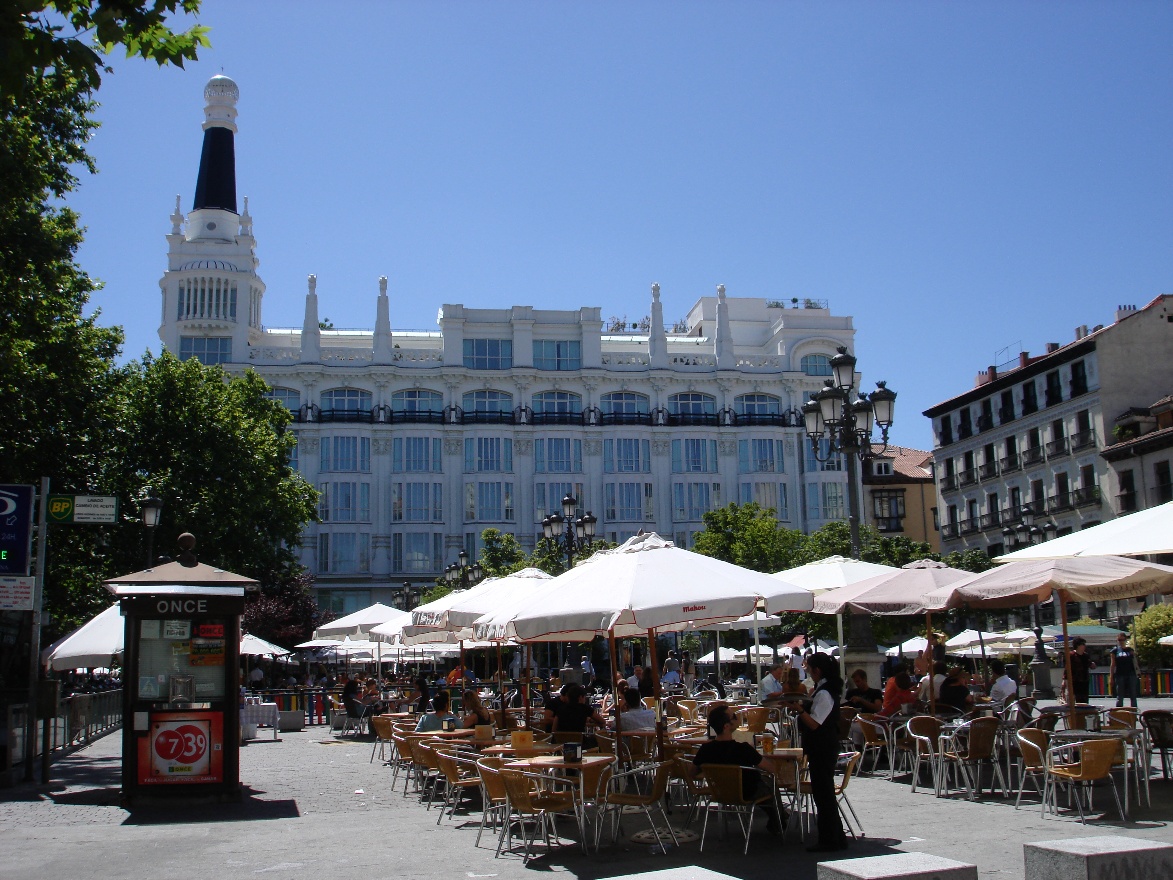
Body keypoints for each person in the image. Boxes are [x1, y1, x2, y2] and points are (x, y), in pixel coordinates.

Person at [784, 652, 847, 852]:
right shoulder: (824, 689)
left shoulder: (825, 692)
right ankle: (836, 836)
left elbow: (815, 724)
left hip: (823, 746)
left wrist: (801, 711)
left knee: (824, 794)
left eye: (809, 668)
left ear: (817, 670)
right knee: (824, 793)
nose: (808, 671)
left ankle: (830, 839)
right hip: (822, 746)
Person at [692, 704, 783, 835]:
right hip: (748, 792)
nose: (737, 718)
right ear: (726, 726)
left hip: (719, 792)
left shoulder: (705, 750)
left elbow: (692, 773)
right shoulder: (744, 749)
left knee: (766, 786)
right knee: (769, 784)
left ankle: (779, 819)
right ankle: (779, 821)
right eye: (734, 717)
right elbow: (771, 769)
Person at [1110, 633, 1140, 709]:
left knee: (1133, 694)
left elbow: (1135, 661)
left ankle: (1134, 712)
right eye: (1119, 640)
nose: (1121, 641)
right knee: (1120, 694)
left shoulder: (1130, 650)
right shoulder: (1115, 651)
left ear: (1125, 640)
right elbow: (1112, 664)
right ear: (1117, 640)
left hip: (1131, 673)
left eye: (1123, 640)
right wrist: (1111, 677)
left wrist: (1138, 671)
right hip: (1120, 674)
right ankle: (1119, 711)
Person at [1065, 637, 1095, 704]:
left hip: (1084, 680)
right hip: (1074, 680)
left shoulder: (1086, 655)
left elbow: (1089, 664)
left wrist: (1092, 665)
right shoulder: (1071, 655)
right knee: (1075, 698)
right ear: (1078, 645)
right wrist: (1065, 680)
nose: (1084, 646)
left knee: (1084, 699)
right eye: (1083, 644)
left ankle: (1083, 713)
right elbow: (1067, 668)